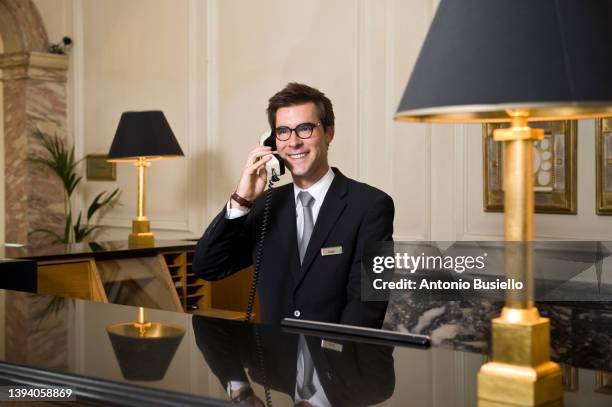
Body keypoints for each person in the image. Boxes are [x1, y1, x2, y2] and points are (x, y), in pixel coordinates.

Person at [192, 82, 394, 328]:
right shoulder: (264, 206)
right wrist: (242, 198)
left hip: (335, 360)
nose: (294, 142)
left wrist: (338, 362)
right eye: (283, 131)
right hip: (276, 361)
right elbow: (208, 267)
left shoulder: (371, 205)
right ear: (272, 142)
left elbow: (369, 301)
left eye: (305, 129)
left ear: (329, 133)